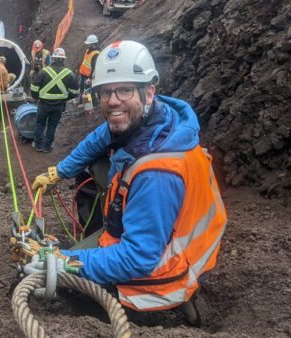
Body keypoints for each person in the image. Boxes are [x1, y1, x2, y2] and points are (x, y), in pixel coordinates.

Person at [31, 40, 227, 320]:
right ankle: (107, 234)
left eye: (124, 90)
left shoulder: (156, 171)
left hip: (168, 265)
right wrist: (60, 171)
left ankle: (171, 310)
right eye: (106, 92)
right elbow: (98, 139)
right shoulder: (155, 118)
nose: (113, 101)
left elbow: (138, 258)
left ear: (148, 93)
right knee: (96, 163)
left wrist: (63, 261)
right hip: (160, 234)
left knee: (70, 289)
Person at [29, 47, 79, 152]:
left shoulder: (44, 71)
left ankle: (38, 145)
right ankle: (47, 147)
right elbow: (76, 91)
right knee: (52, 126)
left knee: (40, 124)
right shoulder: (69, 74)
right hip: (59, 105)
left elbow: (33, 88)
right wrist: (66, 98)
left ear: (54, 59)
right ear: (63, 59)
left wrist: (36, 97)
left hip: (43, 104)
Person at [78, 34, 101, 104]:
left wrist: (90, 78)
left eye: (89, 44)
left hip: (88, 76)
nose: (87, 45)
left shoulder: (96, 54)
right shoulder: (88, 50)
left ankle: (90, 104)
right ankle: (81, 102)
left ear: (93, 44)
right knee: (81, 89)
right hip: (83, 74)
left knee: (88, 91)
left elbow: (95, 68)